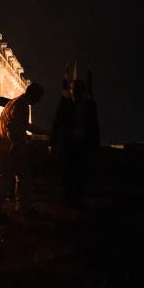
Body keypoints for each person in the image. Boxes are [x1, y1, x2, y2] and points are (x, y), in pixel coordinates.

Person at [0, 83, 44, 220]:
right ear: (33, 94)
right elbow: (12, 126)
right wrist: (15, 142)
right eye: (39, 97)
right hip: (8, 147)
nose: (39, 101)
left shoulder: (16, 102)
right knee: (9, 177)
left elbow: (23, 125)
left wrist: (46, 132)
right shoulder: (21, 105)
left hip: (2, 144)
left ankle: (16, 207)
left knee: (18, 176)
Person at [50, 79, 99, 209]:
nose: (74, 92)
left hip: (83, 143)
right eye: (73, 89)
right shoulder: (64, 103)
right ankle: (67, 200)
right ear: (70, 90)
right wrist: (52, 142)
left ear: (83, 91)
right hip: (68, 144)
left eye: (78, 89)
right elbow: (56, 123)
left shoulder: (90, 105)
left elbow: (94, 125)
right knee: (67, 173)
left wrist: (95, 144)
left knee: (80, 173)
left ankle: (78, 200)